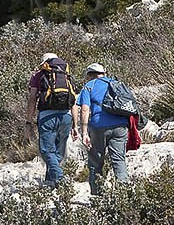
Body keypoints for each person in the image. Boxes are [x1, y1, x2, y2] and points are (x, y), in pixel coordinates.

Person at [75, 62, 130, 193]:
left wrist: (84, 132)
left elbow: (84, 109)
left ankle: (97, 195)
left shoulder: (89, 86)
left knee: (95, 162)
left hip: (98, 126)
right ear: (104, 73)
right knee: (119, 160)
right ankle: (124, 195)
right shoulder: (116, 83)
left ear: (89, 75)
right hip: (120, 125)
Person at [26, 53, 78, 186]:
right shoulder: (66, 76)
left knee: (46, 150)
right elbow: (73, 101)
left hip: (47, 117)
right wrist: (75, 125)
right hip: (66, 116)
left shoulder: (38, 75)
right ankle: (50, 181)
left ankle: (59, 177)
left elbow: (32, 98)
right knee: (58, 152)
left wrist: (29, 121)